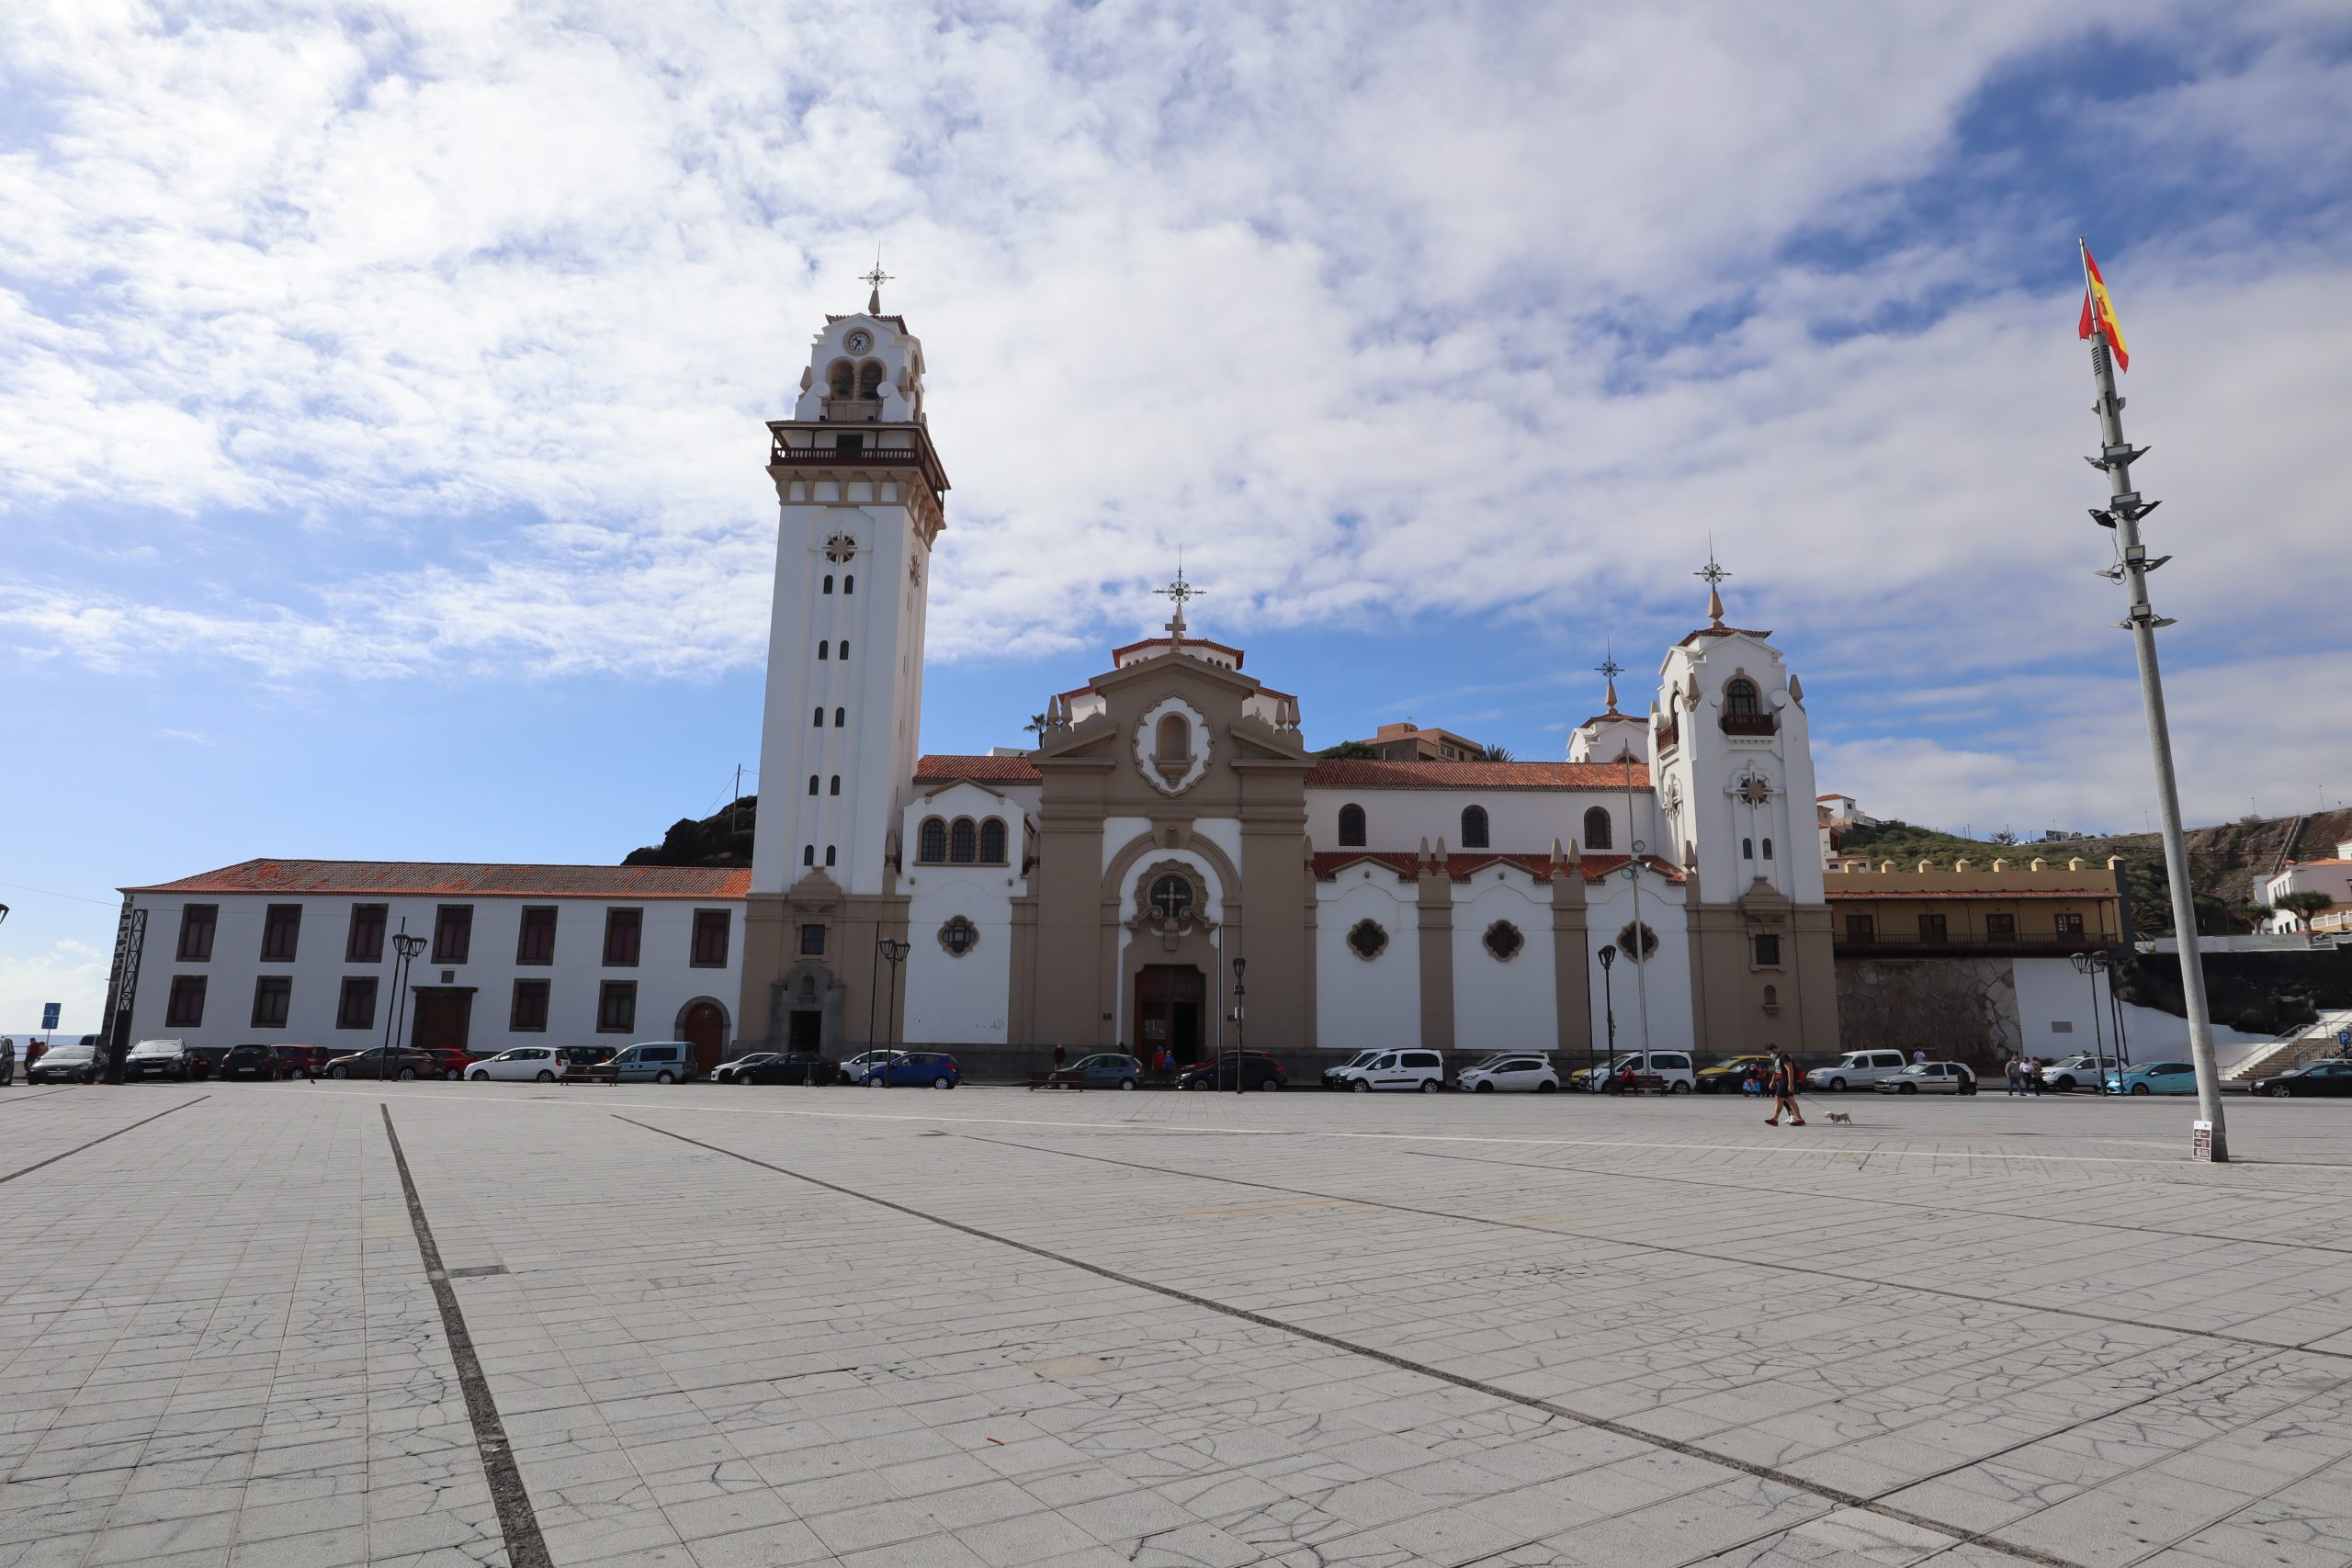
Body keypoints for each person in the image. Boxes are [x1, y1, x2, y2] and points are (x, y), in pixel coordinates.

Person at [1765, 1048, 1805, 1126]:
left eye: (1771, 1053)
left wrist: (1790, 1084)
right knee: (1789, 1100)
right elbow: (1775, 1071)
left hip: (1784, 1081)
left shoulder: (1784, 1056)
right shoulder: (1776, 1059)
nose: (1770, 1054)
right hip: (1780, 1081)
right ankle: (1798, 1119)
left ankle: (1776, 1119)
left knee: (1779, 1098)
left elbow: (1790, 1070)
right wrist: (1772, 1081)